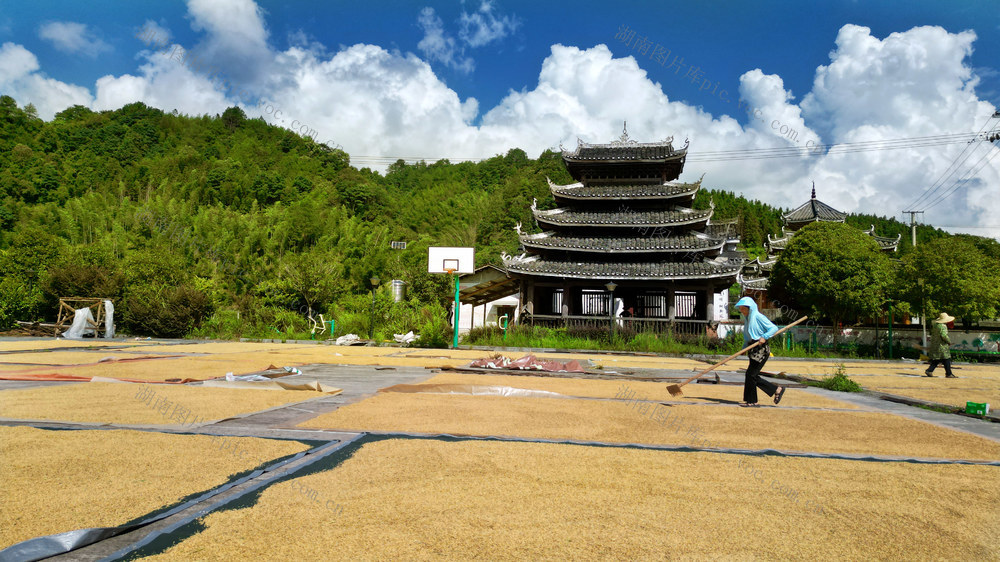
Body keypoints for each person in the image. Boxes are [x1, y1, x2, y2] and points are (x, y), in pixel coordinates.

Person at [735, 296, 785, 407]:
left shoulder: (758, 317)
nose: (741, 311)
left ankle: (753, 401)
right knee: (751, 375)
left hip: (761, 350)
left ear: (750, 308)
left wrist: (765, 336)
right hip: (753, 349)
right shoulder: (748, 319)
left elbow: (773, 328)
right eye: (741, 309)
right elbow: (747, 337)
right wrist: (743, 349)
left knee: (751, 375)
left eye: (743, 309)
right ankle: (774, 390)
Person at [925, 312, 957, 378]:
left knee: (937, 359)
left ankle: (930, 370)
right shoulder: (943, 326)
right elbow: (944, 335)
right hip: (942, 345)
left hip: (935, 344)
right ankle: (949, 373)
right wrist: (949, 342)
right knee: (946, 358)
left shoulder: (935, 325)